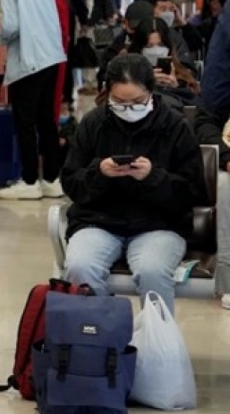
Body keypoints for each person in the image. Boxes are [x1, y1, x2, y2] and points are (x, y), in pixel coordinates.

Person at [63, 55, 205, 315]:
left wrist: (153, 177)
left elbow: (193, 191)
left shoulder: (175, 127)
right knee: (80, 266)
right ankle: (97, 335)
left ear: (151, 92)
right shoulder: (93, 124)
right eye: (119, 102)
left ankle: (156, 339)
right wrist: (99, 173)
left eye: (138, 102)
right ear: (108, 93)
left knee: (152, 270)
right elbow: (71, 182)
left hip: (160, 225)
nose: (128, 109)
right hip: (98, 222)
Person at [0, 0, 66, 200]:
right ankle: (52, 179)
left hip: (28, 63)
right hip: (51, 58)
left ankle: (30, 181)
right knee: (47, 121)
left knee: (25, 123)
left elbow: (10, 27)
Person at [27, 0, 73, 122]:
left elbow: (62, 29)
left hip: (44, 58)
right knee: (47, 107)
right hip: (54, 56)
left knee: (43, 107)